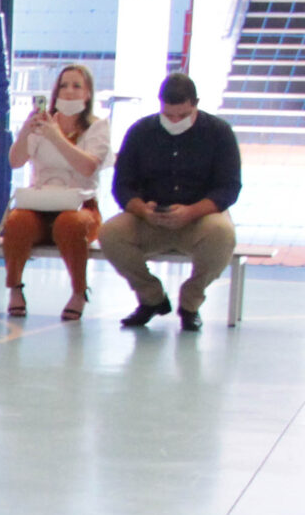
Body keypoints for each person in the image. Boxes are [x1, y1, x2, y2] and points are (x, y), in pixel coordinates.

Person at [102, 73, 242, 332]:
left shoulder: (220, 133)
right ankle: (151, 297)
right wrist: (142, 210)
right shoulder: (140, 132)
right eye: (169, 115)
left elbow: (229, 188)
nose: (175, 121)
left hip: (200, 218)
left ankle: (190, 302)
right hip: (150, 219)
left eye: (183, 115)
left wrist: (192, 212)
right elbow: (122, 186)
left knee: (222, 233)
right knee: (110, 233)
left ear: (195, 104)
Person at [1, 64, 112, 320]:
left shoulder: (98, 127)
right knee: (17, 222)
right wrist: (26, 132)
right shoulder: (43, 123)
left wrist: (56, 137)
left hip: (80, 205)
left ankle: (78, 291)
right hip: (41, 203)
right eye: (64, 86)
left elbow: (88, 166)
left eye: (76, 86)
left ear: (88, 93)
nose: (69, 91)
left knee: (70, 224)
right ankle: (15, 288)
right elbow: (15, 161)